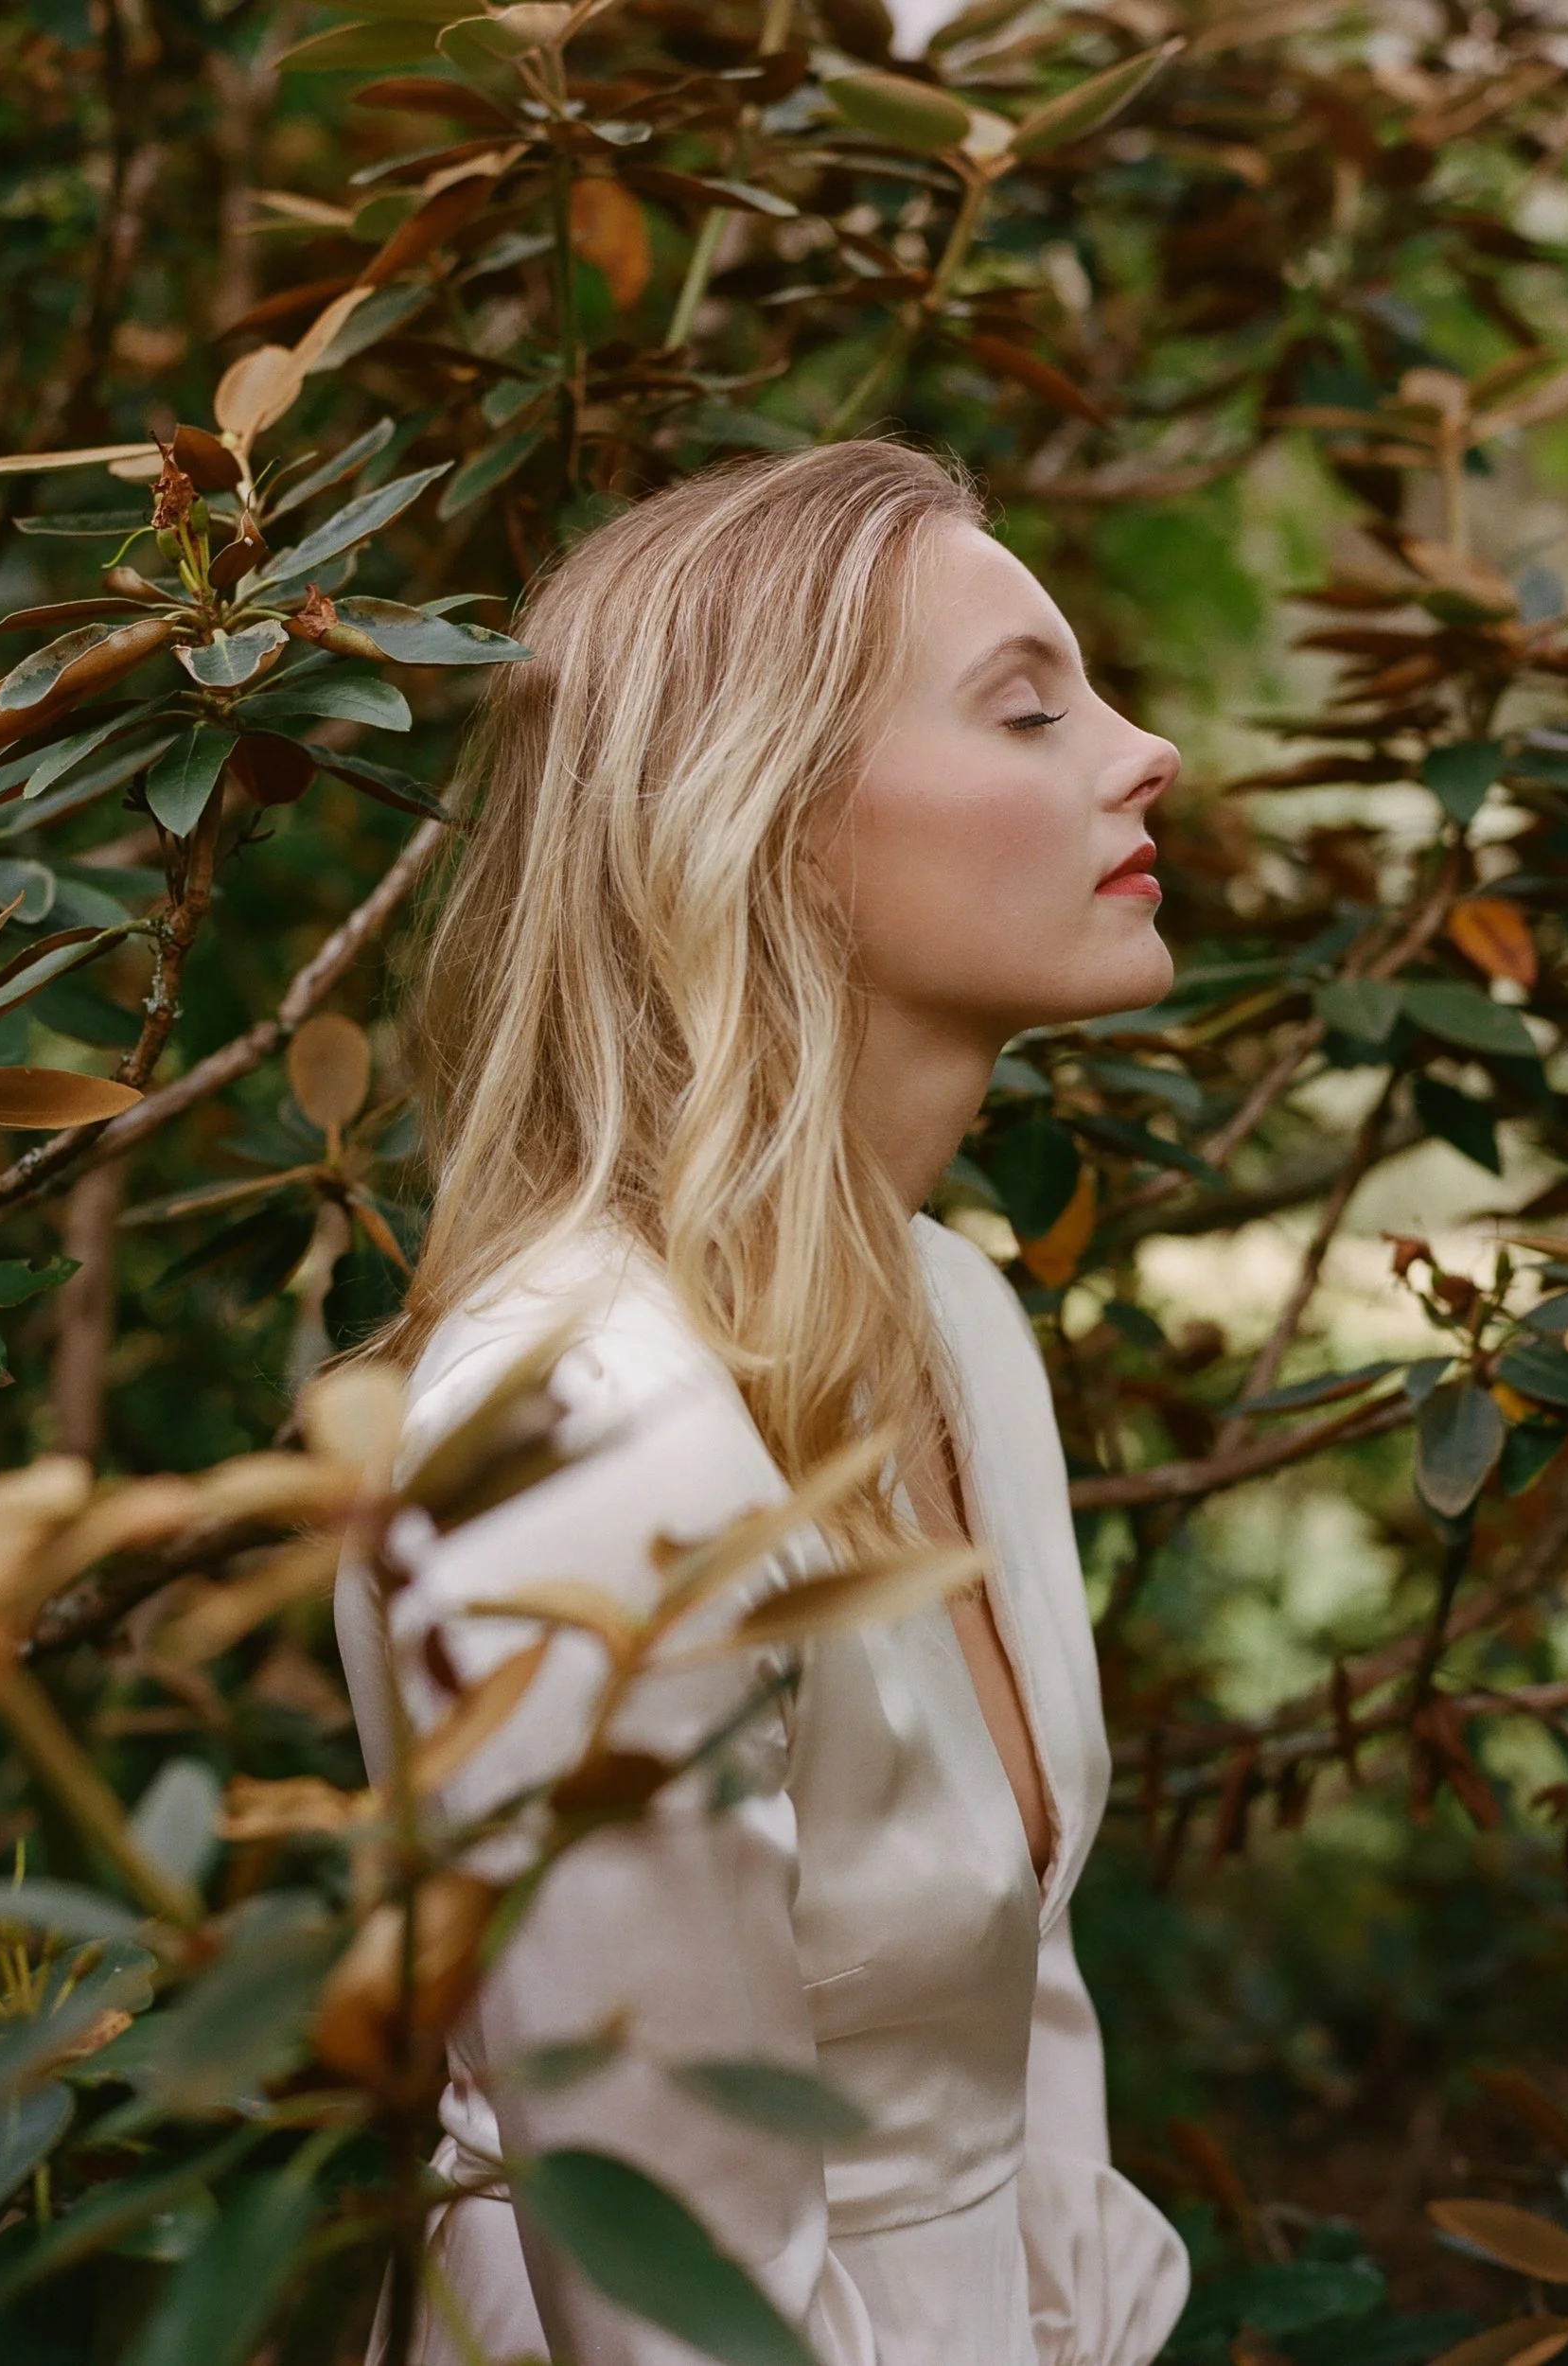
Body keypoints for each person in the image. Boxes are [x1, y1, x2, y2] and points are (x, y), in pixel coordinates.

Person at [335, 441, 1190, 2366]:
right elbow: (670, 2298)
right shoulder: (578, 1437)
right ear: (773, 822)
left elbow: (1020, 2052)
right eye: (1029, 707)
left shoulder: (957, 1314)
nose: (1141, 753)